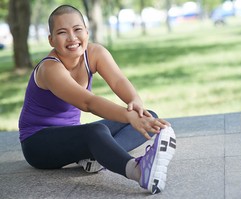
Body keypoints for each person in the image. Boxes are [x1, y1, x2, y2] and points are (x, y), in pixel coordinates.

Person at [19, 4, 176, 194]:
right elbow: (88, 103)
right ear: (51, 40)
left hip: (71, 135)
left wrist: (135, 104)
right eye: (62, 32)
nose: (72, 38)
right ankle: (139, 171)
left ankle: (97, 157)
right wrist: (130, 117)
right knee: (97, 131)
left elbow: (118, 81)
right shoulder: (50, 69)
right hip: (38, 144)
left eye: (77, 29)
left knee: (149, 116)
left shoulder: (94, 53)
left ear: (86, 31)